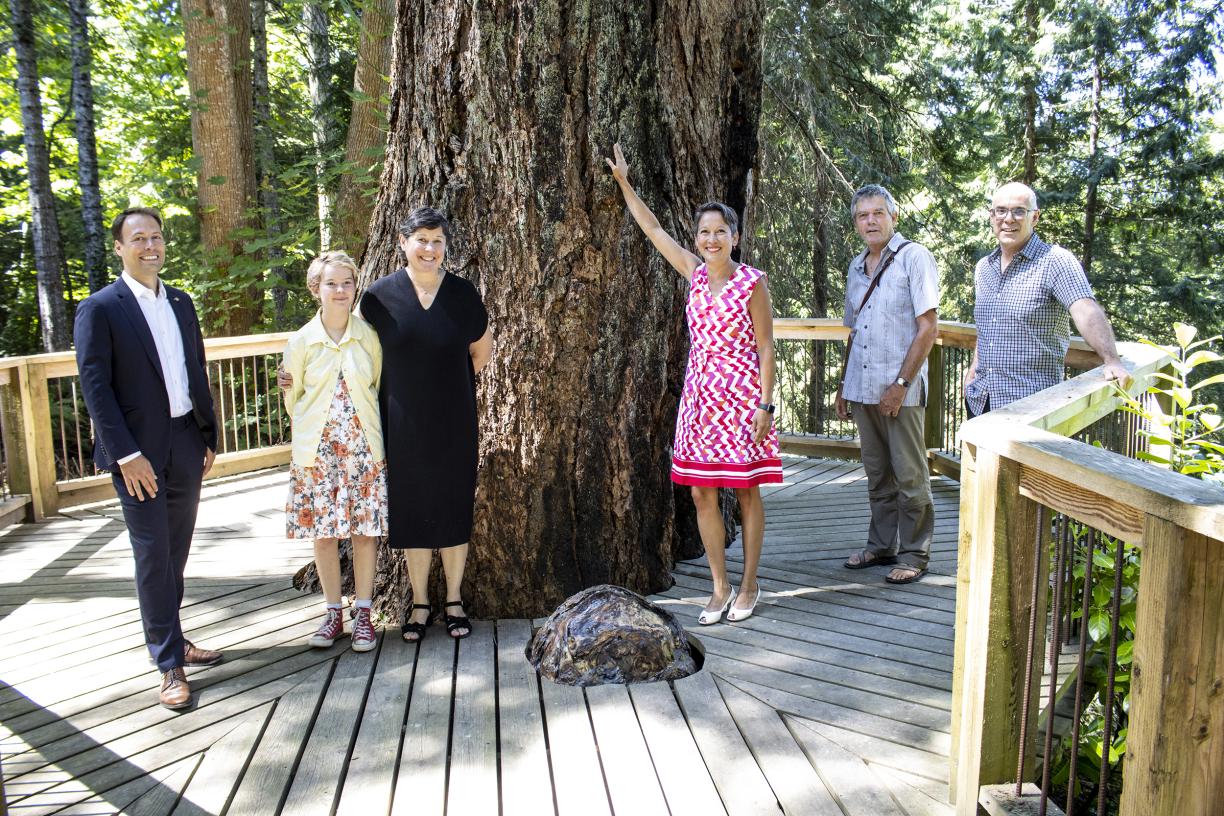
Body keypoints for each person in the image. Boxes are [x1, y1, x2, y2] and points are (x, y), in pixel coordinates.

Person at [606, 143, 782, 625]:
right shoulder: (693, 274)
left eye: (719, 231)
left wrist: (766, 406)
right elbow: (654, 229)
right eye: (704, 232)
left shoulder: (753, 282)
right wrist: (624, 182)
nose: (710, 239)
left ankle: (749, 585)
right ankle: (719, 586)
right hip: (700, 399)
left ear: (735, 236)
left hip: (744, 396)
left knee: (746, 491)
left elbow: (766, 347)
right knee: (703, 492)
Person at [74, 207, 220, 710]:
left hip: (185, 443)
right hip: (137, 455)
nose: (150, 246)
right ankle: (167, 664)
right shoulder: (101, 308)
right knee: (152, 553)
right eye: (139, 238)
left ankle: (175, 637)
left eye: (156, 236)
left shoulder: (180, 302)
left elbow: (193, 368)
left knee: (176, 550)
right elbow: (96, 388)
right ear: (119, 247)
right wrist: (126, 454)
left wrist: (207, 436)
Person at [359, 207, 493, 640]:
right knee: (413, 510)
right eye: (421, 240)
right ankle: (420, 605)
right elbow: (355, 352)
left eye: (437, 241)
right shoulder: (379, 297)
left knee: (454, 506)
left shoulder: (463, 294)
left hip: (455, 418)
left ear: (445, 245)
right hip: (401, 422)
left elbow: (480, 353)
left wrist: (444, 384)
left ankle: (454, 600)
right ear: (403, 242)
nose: (430, 249)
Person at [282, 251, 387, 652]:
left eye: (346, 283)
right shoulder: (301, 342)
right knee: (324, 535)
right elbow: (294, 399)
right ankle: (332, 614)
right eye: (331, 283)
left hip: (362, 450)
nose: (340, 290)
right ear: (316, 289)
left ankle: (363, 613)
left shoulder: (368, 337)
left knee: (364, 533)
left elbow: (376, 382)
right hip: (318, 454)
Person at [836, 185, 939, 585]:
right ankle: (882, 545)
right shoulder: (856, 266)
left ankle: (915, 553)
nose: (871, 221)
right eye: (863, 216)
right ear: (856, 223)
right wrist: (845, 383)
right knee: (877, 474)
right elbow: (854, 330)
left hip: (901, 391)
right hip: (863, 388)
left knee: (910, 476)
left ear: (893, 217)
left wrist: (900, 383)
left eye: (878, 213)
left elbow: (928, 327)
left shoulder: (914, 258)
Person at [965, 182, 1129, 416]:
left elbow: (1084, 309)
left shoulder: (1055, 261)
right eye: (1000, 211)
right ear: (992, 216)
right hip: (981, 398)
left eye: (1019, 211)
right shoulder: (984, 268)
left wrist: (1111, 360)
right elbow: (988, 326)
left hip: (1030, 406)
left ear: (1035, 217)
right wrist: (973, 370)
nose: (1008, 219)